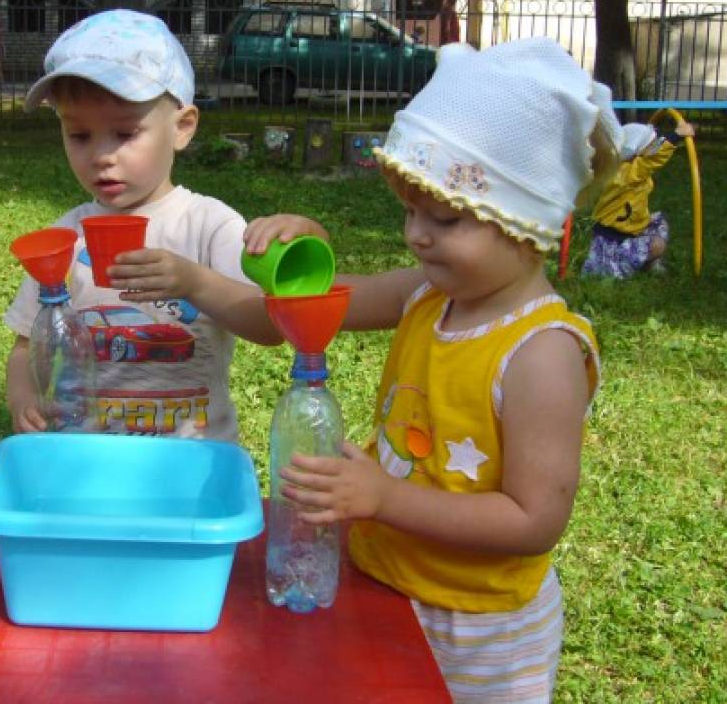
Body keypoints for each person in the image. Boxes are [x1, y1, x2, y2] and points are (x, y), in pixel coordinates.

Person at [244, 38, 620, 703]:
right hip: (383, 579)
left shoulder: (540, 353)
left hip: (477, 629)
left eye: (443, 217)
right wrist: (306, 243)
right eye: (410, 210)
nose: (416, 234)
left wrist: (385, 499)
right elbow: (323, 302)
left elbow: (533, 519)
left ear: (525, 223)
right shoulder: (427, 292)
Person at [5, 9, 280, 441]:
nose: (101, 155)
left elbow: (269, 325)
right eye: (80, 136)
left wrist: (194, 282)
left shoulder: (208, 225)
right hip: (89, 458)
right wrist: (23, 397)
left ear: (182, 128)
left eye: (125, 133)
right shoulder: (65, 237)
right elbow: (26, 344)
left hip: (191, 461)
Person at [582, 118, 694, 278]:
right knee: (658, 245)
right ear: (637, 152)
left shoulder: (629, 168)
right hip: (615, 240)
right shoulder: (626, 173)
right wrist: (676, 135)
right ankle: (628, 262)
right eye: (652, 145)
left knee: (659, 222)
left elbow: (651, 153)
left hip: (632, 227)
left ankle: (646, 261)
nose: (655, 147)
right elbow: (655, 158)